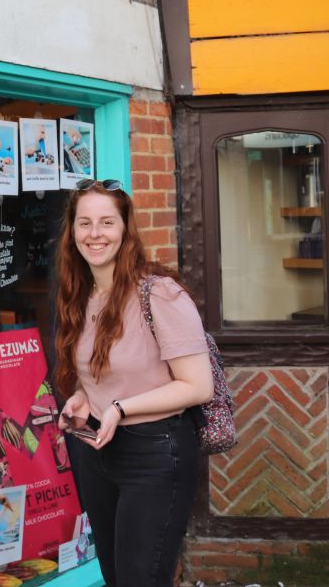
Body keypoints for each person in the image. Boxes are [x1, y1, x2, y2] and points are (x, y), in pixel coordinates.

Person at [54, 179, 213, 587]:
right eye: (85, 223)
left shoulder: (159, 293)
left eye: (107, 222)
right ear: (72, 232)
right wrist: (80, 399)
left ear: (125, 229)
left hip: (156, 453)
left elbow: (198, 386)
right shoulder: (79, 294)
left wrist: (120, 408)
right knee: (115, 576)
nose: (95, 234)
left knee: (141, 579)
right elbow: (97, 374)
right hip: (97, 452)